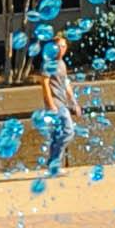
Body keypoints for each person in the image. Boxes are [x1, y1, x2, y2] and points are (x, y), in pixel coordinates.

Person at [36, 28, 81, 176]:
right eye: (58, 46)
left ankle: (53, 166)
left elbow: (66, 84)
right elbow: (44, 83)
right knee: (68, 131)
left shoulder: (62, 64)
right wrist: (50, 104)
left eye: (63, 46)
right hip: (56, 104)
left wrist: (74, 103)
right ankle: (54, 164)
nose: (60, 49)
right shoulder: (48, 63)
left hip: (63, 103)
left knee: (57, 135)